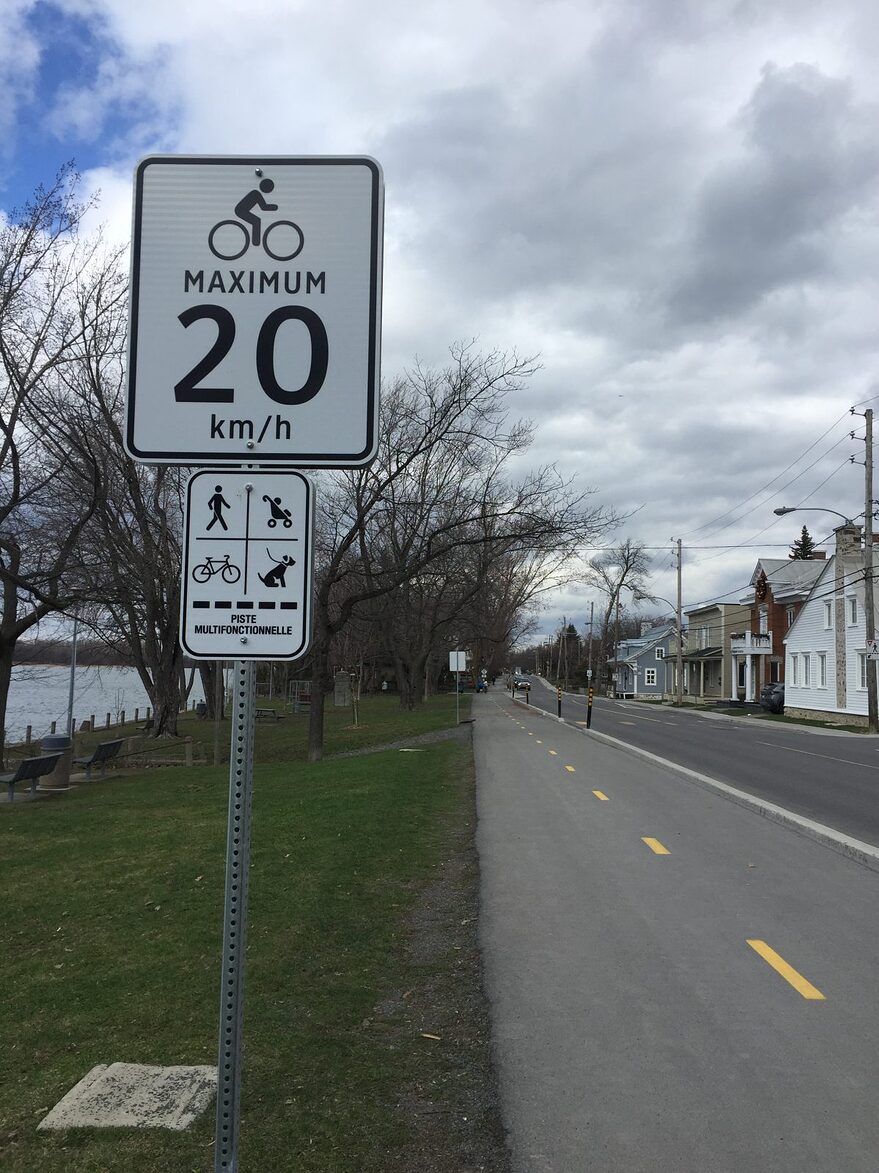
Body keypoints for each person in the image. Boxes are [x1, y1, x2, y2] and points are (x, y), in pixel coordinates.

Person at [234, 178, 278, 246]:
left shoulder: (256, 192)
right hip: (240, 211)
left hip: (241, 210)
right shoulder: (256, 194)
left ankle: (256, 242)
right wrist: (275, 207)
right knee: (256, 221)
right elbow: (264, 207)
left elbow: (263, 206)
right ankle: (256, 242)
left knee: (256, 220)